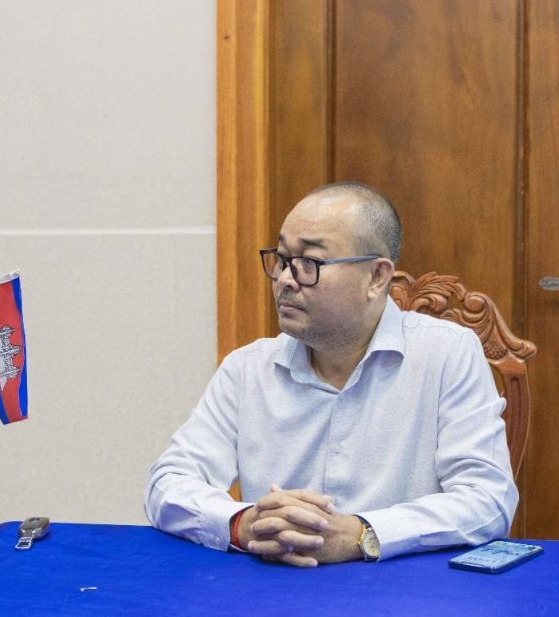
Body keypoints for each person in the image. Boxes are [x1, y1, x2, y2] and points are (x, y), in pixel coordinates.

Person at [145, 182, 517, 567]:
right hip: (275, 586)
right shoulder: (247, 368)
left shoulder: (446, 354)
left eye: (310, 262)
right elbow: (167, 482)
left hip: (402, 589)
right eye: (282, 259)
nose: (285, 279)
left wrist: (362, 533)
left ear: (376, 277)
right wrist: (243, 524)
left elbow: (487, 500)